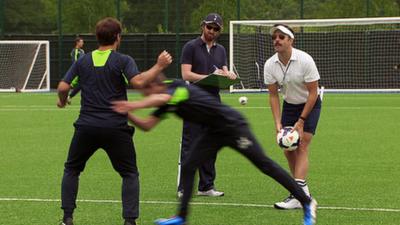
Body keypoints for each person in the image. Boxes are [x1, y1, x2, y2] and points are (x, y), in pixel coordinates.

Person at [111, 74, 317, 225]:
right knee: (190, 165)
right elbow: (147, 125)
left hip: (233, 127)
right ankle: (181, 218)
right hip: (213, 132)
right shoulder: (165, 97)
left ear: (155, 86)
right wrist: (126, 114)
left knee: (265, 165)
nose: (145, 96)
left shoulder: (176, 87)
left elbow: (160, 99)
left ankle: (307, 202)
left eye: (146, 92)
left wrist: (132, 106)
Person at [57, 17, 172, 225]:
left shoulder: (82, 61)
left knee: (72, 169)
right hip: (115, 127)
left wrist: (62, 102)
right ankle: (129, 221)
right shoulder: (123, 60)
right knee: (129, 173)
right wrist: (158, 65)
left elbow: (63, 87)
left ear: (97, 37)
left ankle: (67, 218)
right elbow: (138, 83)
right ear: (118, 37)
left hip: (86, 127)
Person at [178, 12, 236, 198]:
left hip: (213, 102)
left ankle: (206, 186)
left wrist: (230, 76)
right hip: (193, 100)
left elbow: (225, 72)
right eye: (209, 27)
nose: (211, 31)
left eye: (216, 29)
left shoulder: (221, 50)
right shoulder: (190, 47)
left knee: (211, 143)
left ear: (219, 31)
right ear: (203, 26)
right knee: (190, 144)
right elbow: (186, 74)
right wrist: (210, 77)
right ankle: (184, 187)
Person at [263, 24, 322, 210]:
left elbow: (313, 92)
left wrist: (302, 120)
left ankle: (298, 194)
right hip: (290, 104)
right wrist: (277, 122)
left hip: (310, 104)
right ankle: (302, 194)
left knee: (302, 143)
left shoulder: (305, 60)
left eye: (281, 37)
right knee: (288, 147)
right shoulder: (270, 64)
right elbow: (273, 95)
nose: (276, 40)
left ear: (291, 40)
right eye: (274, 37)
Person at [68, 36, 85, 102]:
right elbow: (75, 62)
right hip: (77, 71)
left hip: (82, 71)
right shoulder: (75, 51)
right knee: (72, 85)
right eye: (81, 42)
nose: (83, 43)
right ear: (77, 42)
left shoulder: (82, 51)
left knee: (81, 84)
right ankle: (66, 95)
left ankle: (69, 96)